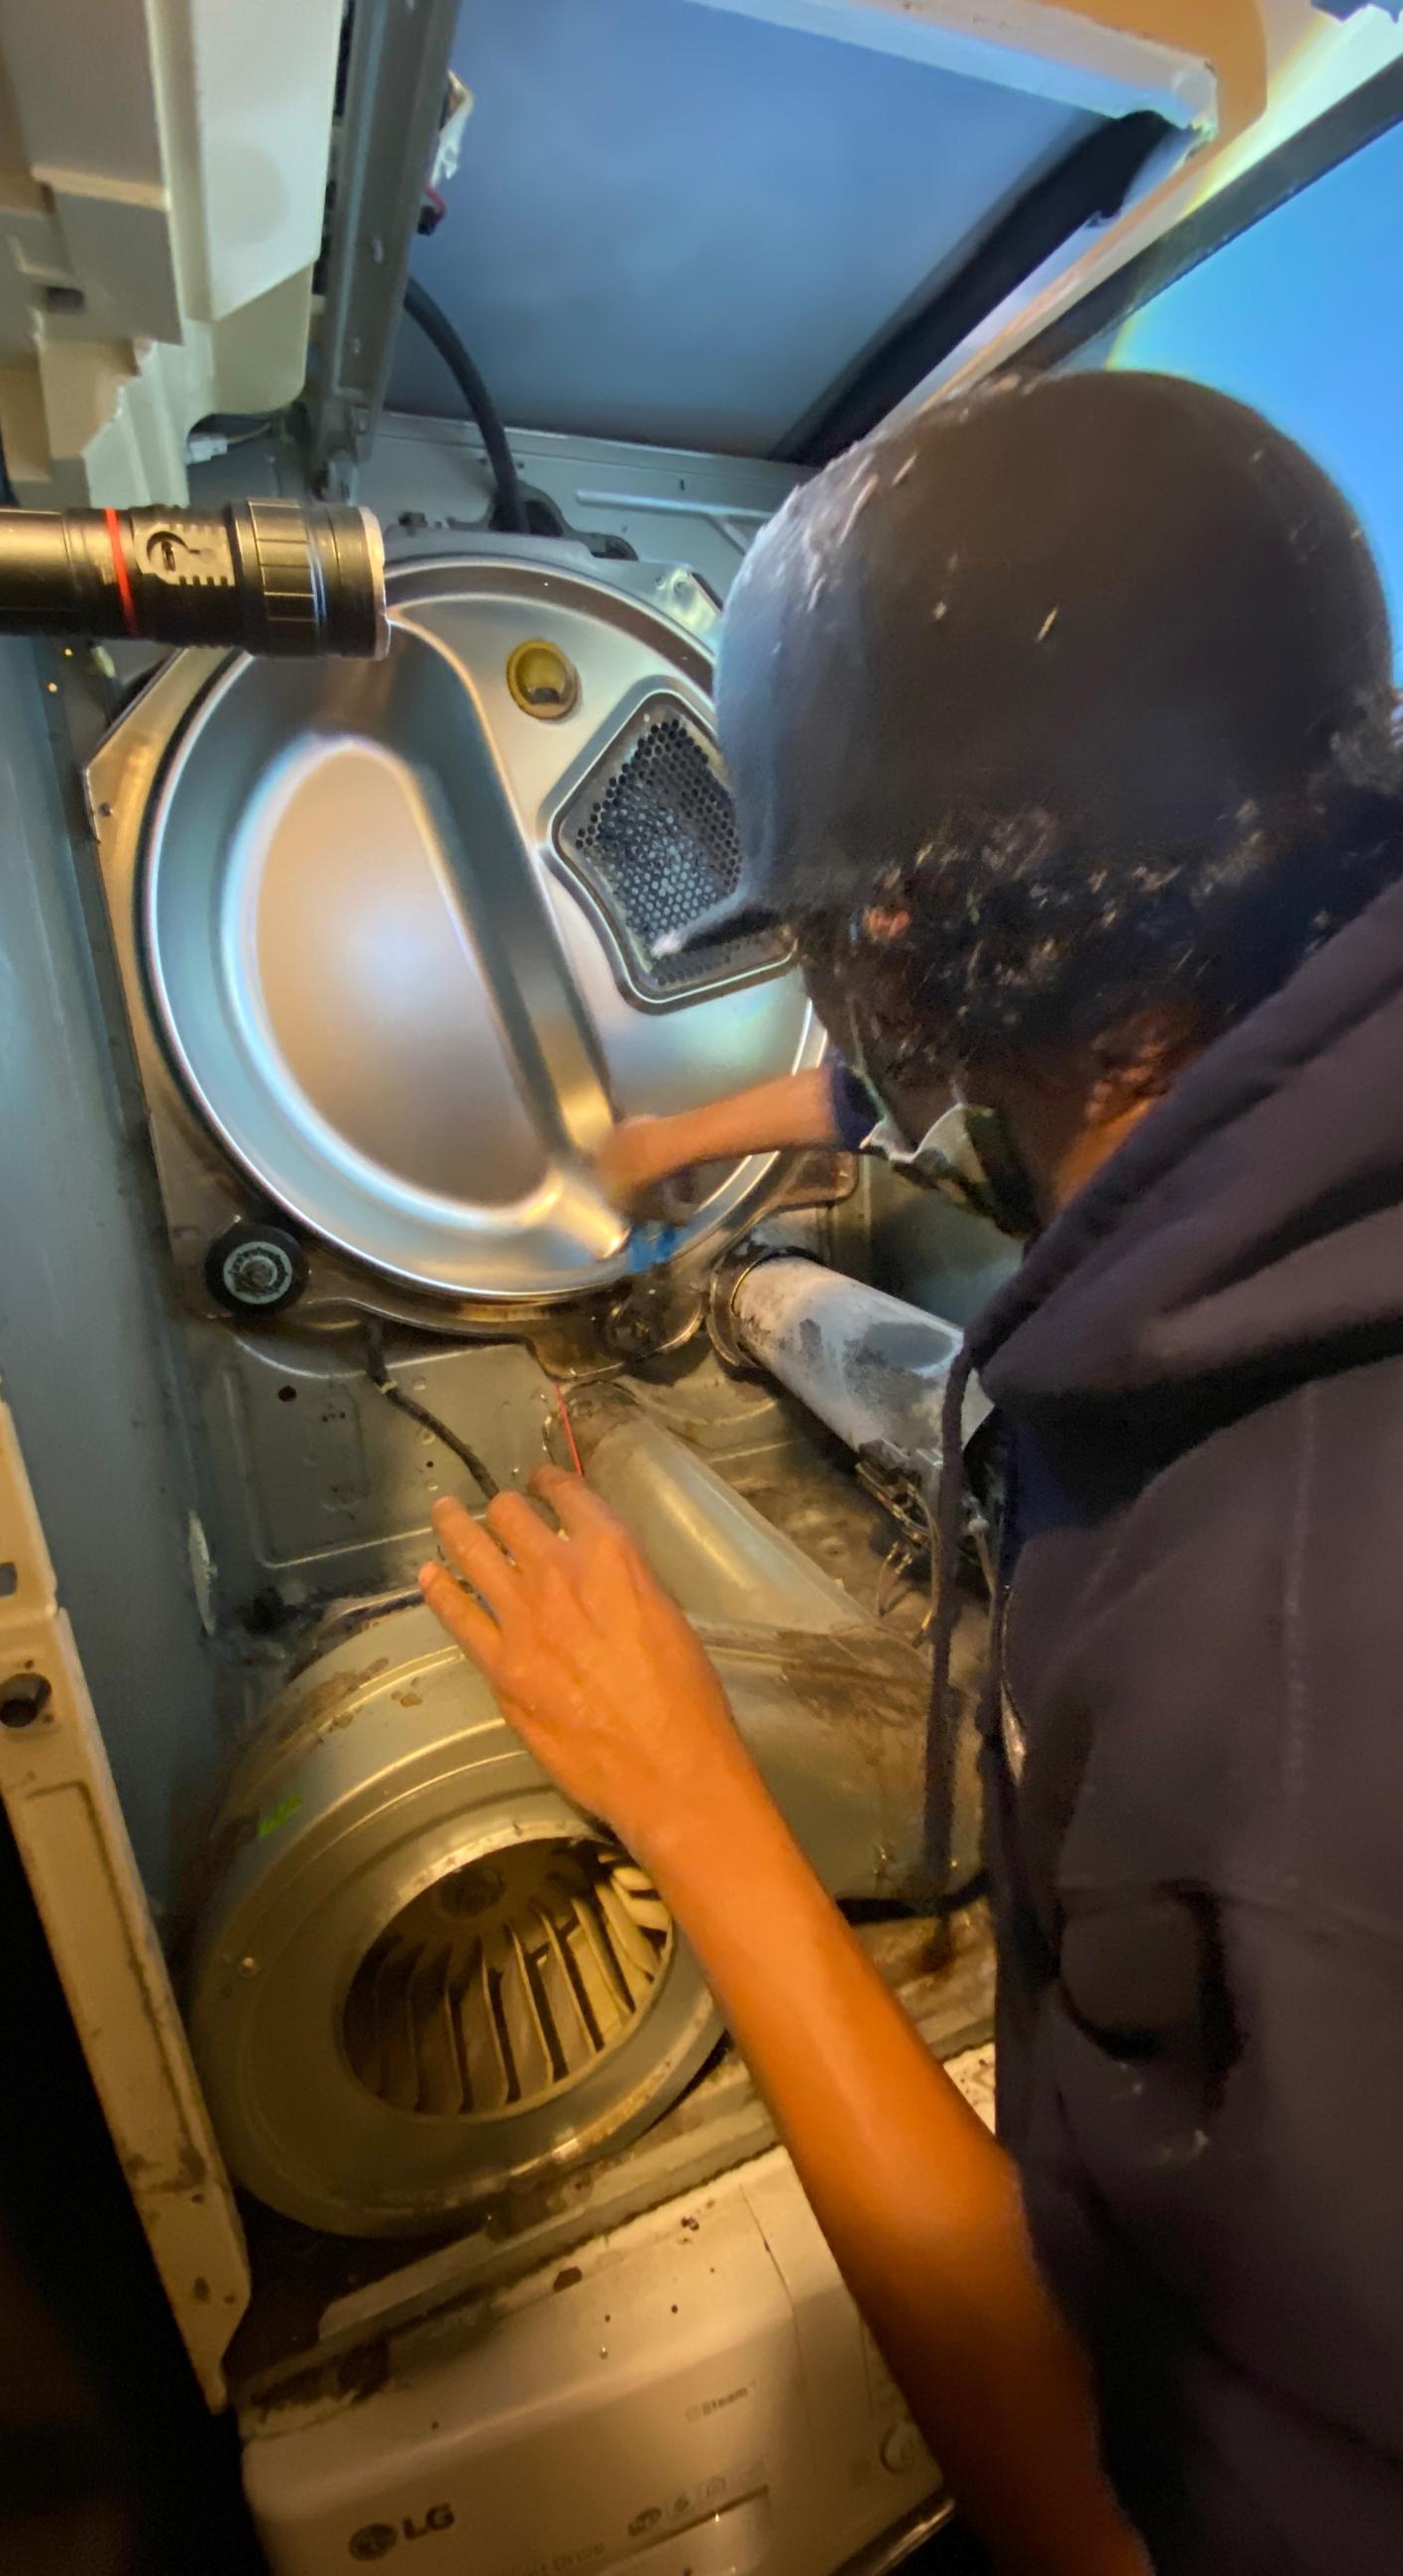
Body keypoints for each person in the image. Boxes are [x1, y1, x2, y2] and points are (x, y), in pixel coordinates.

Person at [419, 372, 1403, 2576]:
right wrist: (661, 1149)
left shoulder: (1306, 1694)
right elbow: (916, 1096)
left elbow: (1110, 2526)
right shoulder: (1262, 1013)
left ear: (883, 950)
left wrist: (683, 1784)